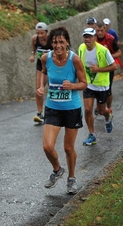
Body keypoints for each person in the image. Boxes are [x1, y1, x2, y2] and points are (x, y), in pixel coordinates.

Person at [37, 27, 87, 195]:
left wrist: (72, 86)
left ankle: (71, 178)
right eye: (54, 42)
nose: (58, 45)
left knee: (68, 148)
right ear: (51, 43)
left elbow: (84, 83)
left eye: (61, 42)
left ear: (67, 42)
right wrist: (40, 86)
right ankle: (58, 170)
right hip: (53, 107)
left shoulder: (75, 60)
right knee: (47, 146)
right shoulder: (46, 58)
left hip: (72, 108)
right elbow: (44, 73)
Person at [78, 28, 117, 146]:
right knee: (88, 109)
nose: (87, 39)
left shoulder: (103, 50)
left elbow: (114, 66)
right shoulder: (81, 48)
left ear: (95, 38)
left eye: (89, 37)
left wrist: (99, 69)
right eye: (85, 36)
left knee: (101, 110)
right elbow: (79, 64)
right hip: (88, 84)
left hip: (101, 85)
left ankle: (107, 116)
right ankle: (92, 135)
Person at [95, 20, 122, 115]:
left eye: (101, 30)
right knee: (96, 89)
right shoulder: (93, 39)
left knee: (108, 90)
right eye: (98, 30)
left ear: (105, 29)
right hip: (96, 68)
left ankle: (109, 107)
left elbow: (119, 53)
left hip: (109, 68)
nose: (99, 33)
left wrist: (109, 56)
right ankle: (98, 106)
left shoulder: (110, 39)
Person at [29, 22, 52, 124]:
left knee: (53, 89)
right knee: (38, 89)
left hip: (52, 66)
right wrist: (33, 55)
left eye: (42, 33)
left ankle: (54, 111)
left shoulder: (52, 39)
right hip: (40, 66)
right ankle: (39, 113)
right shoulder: (35, 39)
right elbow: (33, 47)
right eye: (38, 33)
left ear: (46, 32)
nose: (40, 36)